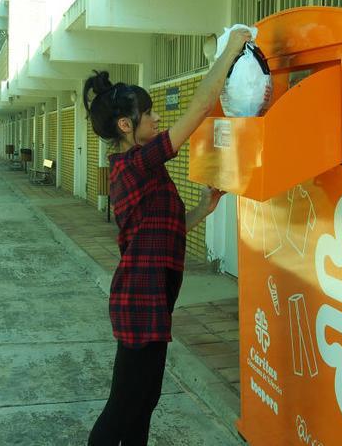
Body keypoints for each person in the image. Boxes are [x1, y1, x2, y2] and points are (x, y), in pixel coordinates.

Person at [84, 27, 252, 445]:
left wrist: (202, 209)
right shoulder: (134, 164)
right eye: (150, 113)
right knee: (123, 407)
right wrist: (230, 50)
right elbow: (196, 112)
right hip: (139, 302)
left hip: (151, 299)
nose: (157, 118)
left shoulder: (140, 167)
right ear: (127, 125)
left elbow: (159, 232)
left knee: (145, 402)